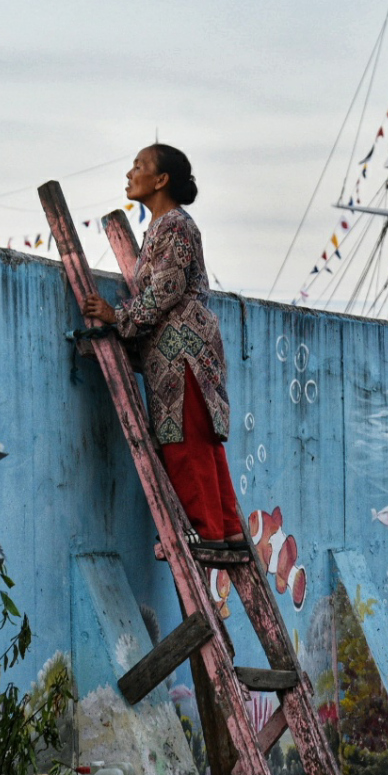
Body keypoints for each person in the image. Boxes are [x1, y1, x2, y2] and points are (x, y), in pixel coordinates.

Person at [81, 144, 244, 550]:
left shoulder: (173, 227)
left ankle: (208, 532)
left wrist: (117, 317)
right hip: (183, 351)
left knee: (186, 443)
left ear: (161, 180)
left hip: (181, 353)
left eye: (139, 166)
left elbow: (165, 290)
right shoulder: (166, 225)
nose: (129, 173)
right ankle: (228, 528)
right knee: (202, 443)